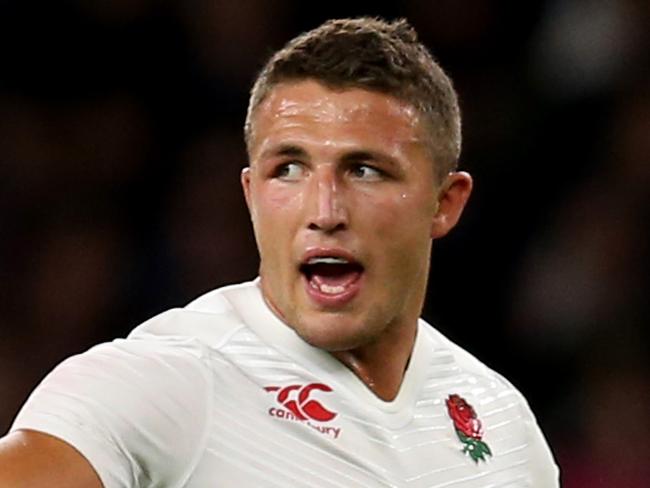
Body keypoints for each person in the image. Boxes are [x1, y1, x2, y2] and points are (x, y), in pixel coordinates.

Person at [0, 17, 559, 487]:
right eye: (287, 170)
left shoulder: (499, 419)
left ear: (445, 202)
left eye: (365, 170)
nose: (324, 209)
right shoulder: (168, 381)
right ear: (251, 195)